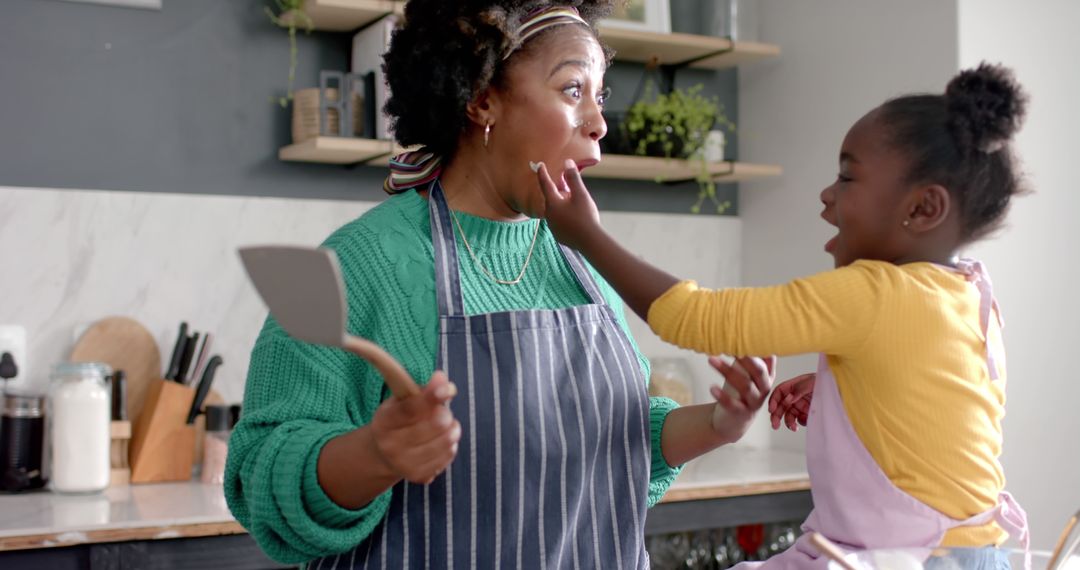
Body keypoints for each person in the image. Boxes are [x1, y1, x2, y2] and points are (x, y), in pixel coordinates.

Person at [225, 1, 776, 567]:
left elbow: (620, 436)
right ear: (482, 99)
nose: (599, 122)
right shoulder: (366, 261)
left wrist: (717, 424)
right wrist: (375, 454)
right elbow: (260, 477)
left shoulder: (576, 258)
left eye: (600, 96)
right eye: (572, 90)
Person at [538, 62, 1032, 568]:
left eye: (847, 176)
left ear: (923, 209)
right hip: (978, 553)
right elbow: (942, 405)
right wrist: (853, 391)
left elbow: (697, 318)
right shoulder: (970, 290)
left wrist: (588, 237)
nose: (827, 194)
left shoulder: (875, 293)